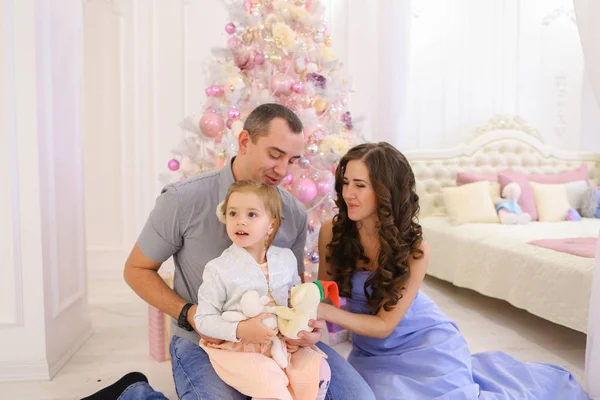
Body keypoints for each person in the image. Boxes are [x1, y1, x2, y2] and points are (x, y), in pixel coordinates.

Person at [83, 103, 375, 400]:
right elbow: (136, 269)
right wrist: (189, 314)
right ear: (245, 141)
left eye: (292, 160)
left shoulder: (292, 213)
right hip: (206, 341)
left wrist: (306, 327)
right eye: (275, 154)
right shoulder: (183, 200)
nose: (283, 170)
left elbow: (296, 290)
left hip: (279, 341)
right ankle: (135, 395)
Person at [315, 141, 590, 400]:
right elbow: (325, 295)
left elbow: (384, 325)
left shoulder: (414, 247)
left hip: (424, 341)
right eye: (346, 182)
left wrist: (326, 312)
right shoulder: (333, 231)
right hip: (372, 352)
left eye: (360, 185)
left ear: (385, 191)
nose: (348, 193)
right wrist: (311, 319)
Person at [194, 180, 330, 400]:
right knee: (272, 386)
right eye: (233, 214)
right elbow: (203, 320)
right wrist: (241, 329)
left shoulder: (285, 259)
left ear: (271, 225)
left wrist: (302, 326)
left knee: (318, 370)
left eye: (252, 215)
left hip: (281, 343)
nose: (240, 222)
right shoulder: (218, 269)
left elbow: (295, 302)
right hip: (239, 350)